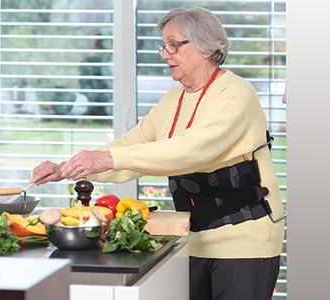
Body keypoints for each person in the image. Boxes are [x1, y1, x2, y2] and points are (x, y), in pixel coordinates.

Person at [31, 7, 285, 300]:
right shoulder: (172, 100)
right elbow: (130, 145)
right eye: (164, 46)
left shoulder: (236, 94)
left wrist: (110, 159)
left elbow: (190, 150)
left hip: (244, 241)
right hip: (192, 238)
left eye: (174, 45)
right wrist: (67, 168)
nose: (165, 54)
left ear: (206, 48)